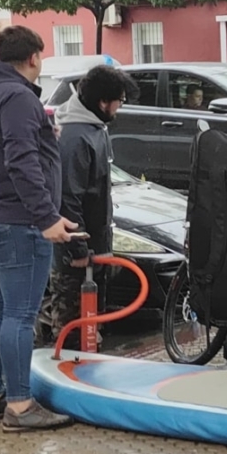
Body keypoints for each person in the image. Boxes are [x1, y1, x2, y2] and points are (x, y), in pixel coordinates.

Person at [0, 25, 77, 433]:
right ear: (33, 58)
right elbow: (20, 162)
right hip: (16, 222)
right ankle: (21, 405)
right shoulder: (18, 97)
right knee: (19, 315)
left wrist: (46, 138)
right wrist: (47, 218)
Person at [38, 65, 137, 350]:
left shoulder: (96, 129)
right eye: (119, 99)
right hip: (77, 254)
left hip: (96, 248)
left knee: (93, 327)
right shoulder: (75, 137)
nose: (120, 106)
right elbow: (67, 197)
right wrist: (77, 249)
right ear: (102, 102)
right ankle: (67, 380)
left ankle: (89, 375)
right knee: (73, 329)